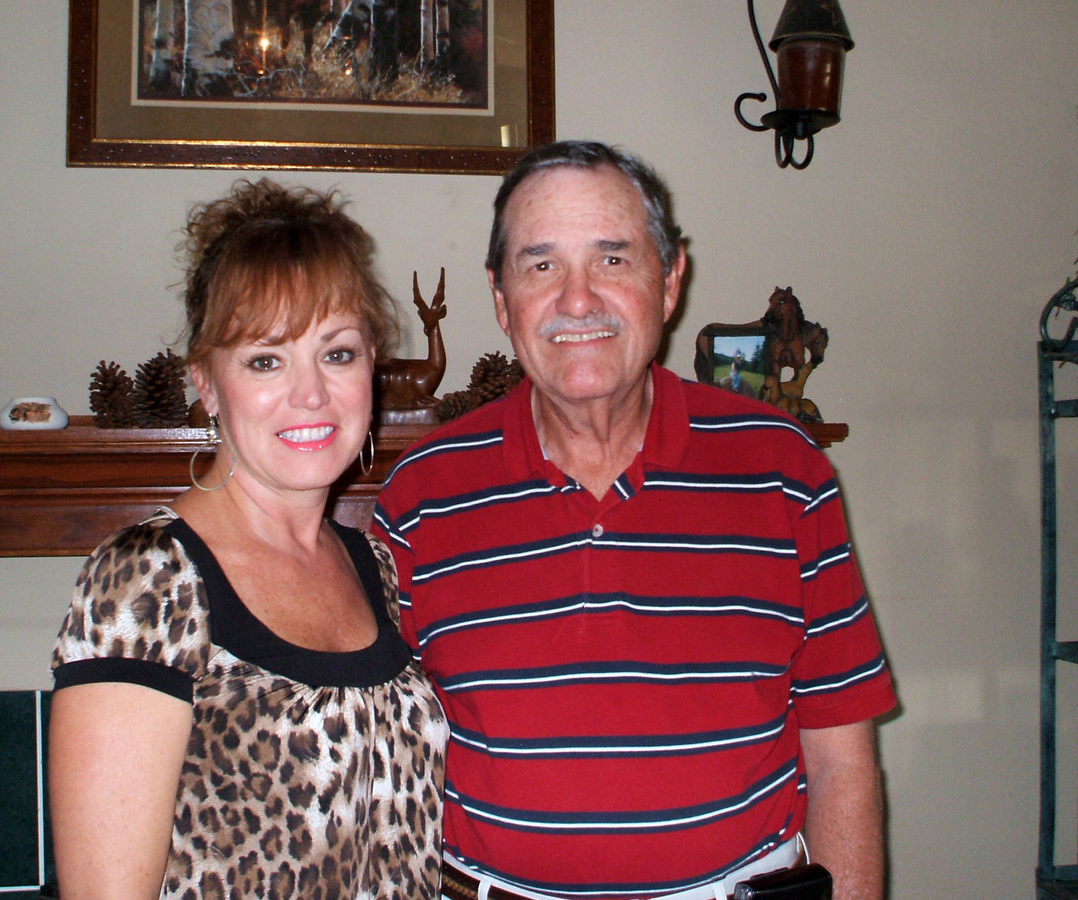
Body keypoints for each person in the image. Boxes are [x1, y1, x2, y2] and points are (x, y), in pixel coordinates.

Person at [373, 141, 897, 900]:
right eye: (541, 264)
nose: (577, 300)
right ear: (499, 297)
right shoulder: (422, 495)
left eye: (613, 260)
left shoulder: (788, 474)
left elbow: (843, 758)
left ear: (671, 279)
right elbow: (384, 766)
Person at [49, 179, 448, 899]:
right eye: (266, 359)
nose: (311, 394)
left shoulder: (376, 568)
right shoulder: (146, 583)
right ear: (206, 383)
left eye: (338, 353)